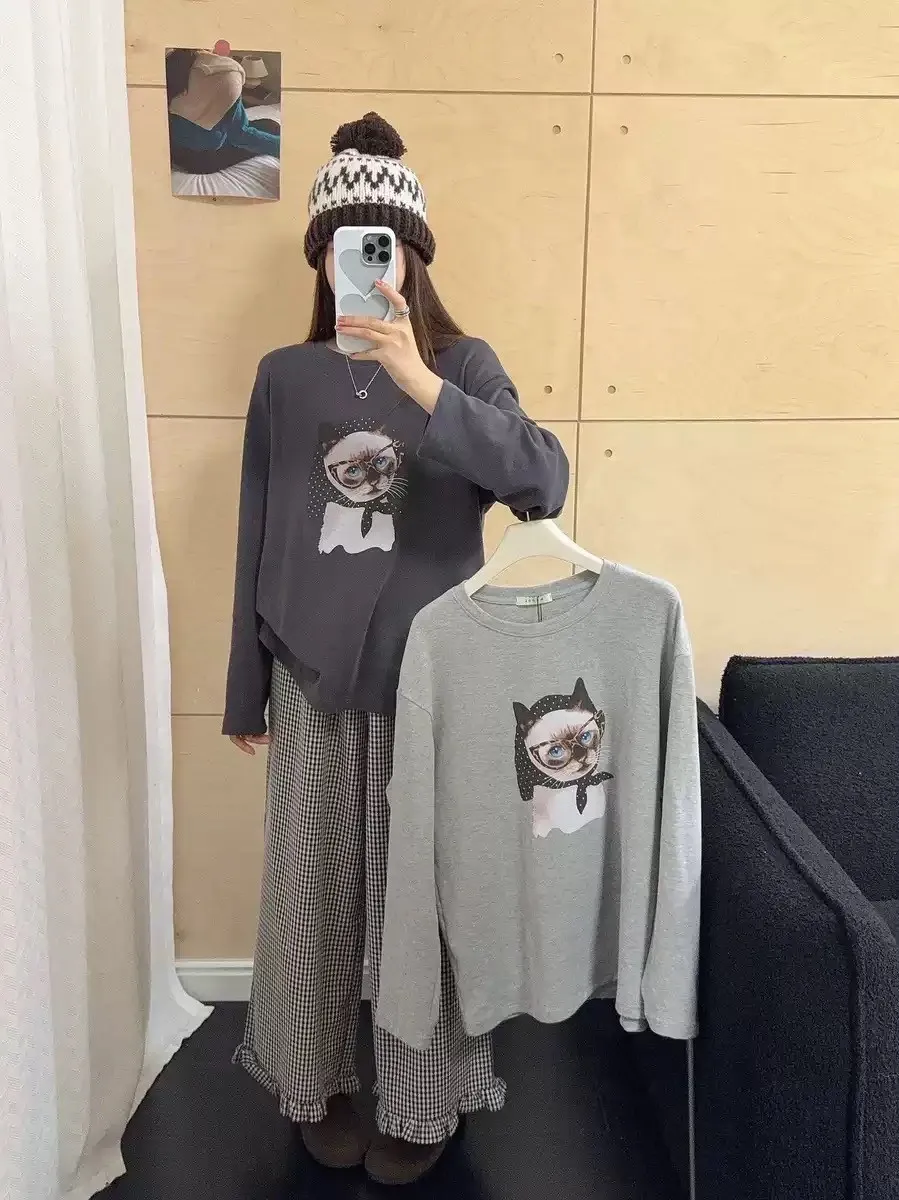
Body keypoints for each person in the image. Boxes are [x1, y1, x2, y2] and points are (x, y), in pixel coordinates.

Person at [224, 112, 569, 1186]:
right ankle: (314, 1086)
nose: (361, 265)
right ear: (320, 260)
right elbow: (258, 535)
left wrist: (422, 381)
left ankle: (424, 1102)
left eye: (379, 246)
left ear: (410, 256)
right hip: (312, 679)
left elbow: (541, 483)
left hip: (435, 687)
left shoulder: (463, 366)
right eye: (340, 247)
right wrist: (244, 689)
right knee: (311, 904)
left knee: (429, 906)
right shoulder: (284, 377)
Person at [165, 49, 280, 175]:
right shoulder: (227, 73)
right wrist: (286, 150)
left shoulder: (171, 61)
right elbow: (240, 135)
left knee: (269, 124)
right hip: (202, 160)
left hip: (173, 148)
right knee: (272, 128)